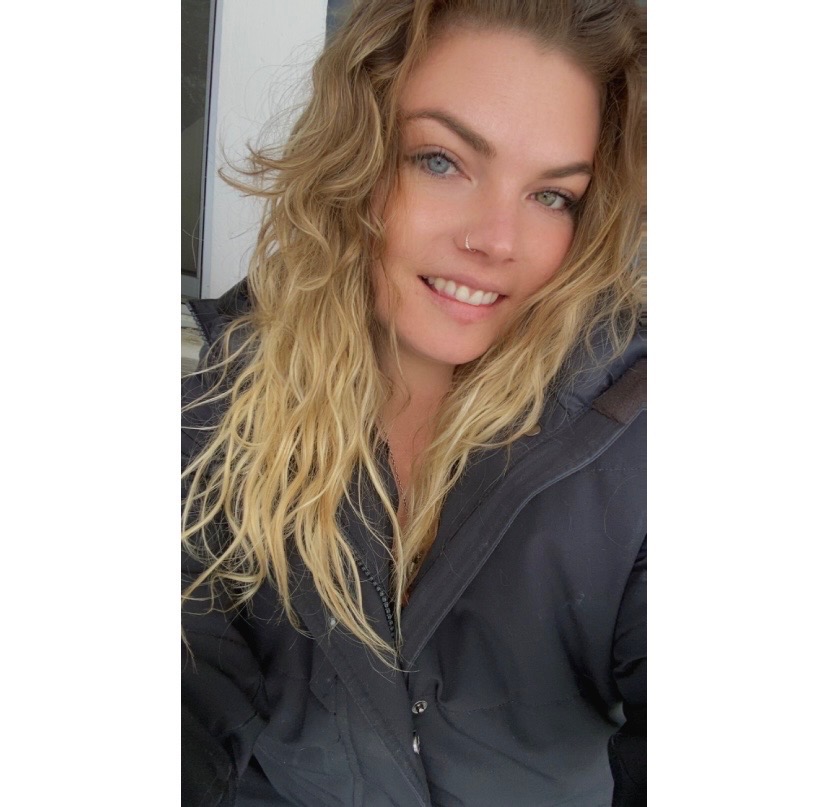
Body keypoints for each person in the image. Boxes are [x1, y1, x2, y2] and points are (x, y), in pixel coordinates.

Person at [182, 1, 646, 805]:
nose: (496, 239)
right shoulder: (223, 406)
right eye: (442, 160)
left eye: (552, 196)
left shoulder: (632, 431)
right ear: (356, 156)